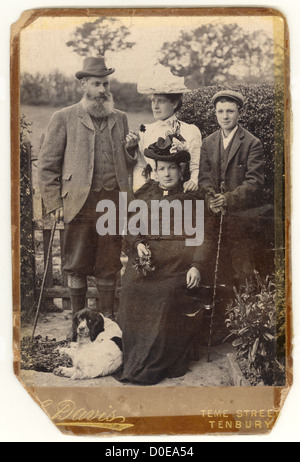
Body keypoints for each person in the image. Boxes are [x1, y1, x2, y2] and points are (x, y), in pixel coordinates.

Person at [37, 56, 138, 333]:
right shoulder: (64, 117)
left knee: (109, 263)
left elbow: (126, 165)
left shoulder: (120, 118)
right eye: (97, 84)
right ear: (84, 85)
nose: (103, 89)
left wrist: (130, 150)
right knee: (76, 264)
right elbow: (47, 166)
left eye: (106, 84)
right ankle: (76, 323)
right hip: (79, 203)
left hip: (112, 203)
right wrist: (54, 202)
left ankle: (106, 322)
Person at [115, 136, 213, 385]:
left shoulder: (193, 196)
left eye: (172, 168)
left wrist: (196, 266)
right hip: (150, 262)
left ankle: (156, 362)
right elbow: (130, 227)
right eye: (161, 169)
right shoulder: (145, 193)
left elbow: (205, 237)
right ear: (154, 172)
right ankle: (134, 359)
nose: (167, 173)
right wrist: (137, 244)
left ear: (181, 170)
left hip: (179, 266)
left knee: (166, 294)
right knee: (131, 287)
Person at [198, 89, 265, 287]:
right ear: (215, 113)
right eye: (220, 111)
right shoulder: (208, 143)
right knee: (212, 269)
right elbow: (204, 179)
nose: (225, 116)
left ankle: (244, 312)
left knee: (242, 270)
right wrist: (211, 199)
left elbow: (254, 183)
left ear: (239, 113)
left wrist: (227, 199)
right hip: (213, 216)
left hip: (240, 217)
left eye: (230, 111)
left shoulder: (252, 143)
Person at [132, 63, 202, 193]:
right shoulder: (145, 130)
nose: (155, 106)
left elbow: (195, 166)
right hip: (151, 191)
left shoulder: (190, 130)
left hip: (180, 192)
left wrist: (193, 181)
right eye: (153, 101)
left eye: (161, 101)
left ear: (174, 103)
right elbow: (140, 165)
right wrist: (138, 190)